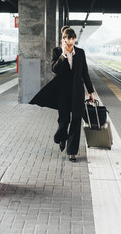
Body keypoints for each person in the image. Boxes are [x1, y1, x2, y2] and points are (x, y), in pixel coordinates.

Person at [30, 27, 95, 162]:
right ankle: (60, 137)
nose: (70, 41)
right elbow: (55, 69)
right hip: (62, 93)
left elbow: (85, 73)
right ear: (63, 39)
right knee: (64, 120)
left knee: (76, 120)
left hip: (77, 92)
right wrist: (64, 55)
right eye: (68, 39)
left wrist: (91, 92)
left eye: (72, 39)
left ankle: (72, 152)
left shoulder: (81, 53)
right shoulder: (57, 51)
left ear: (74, 39)